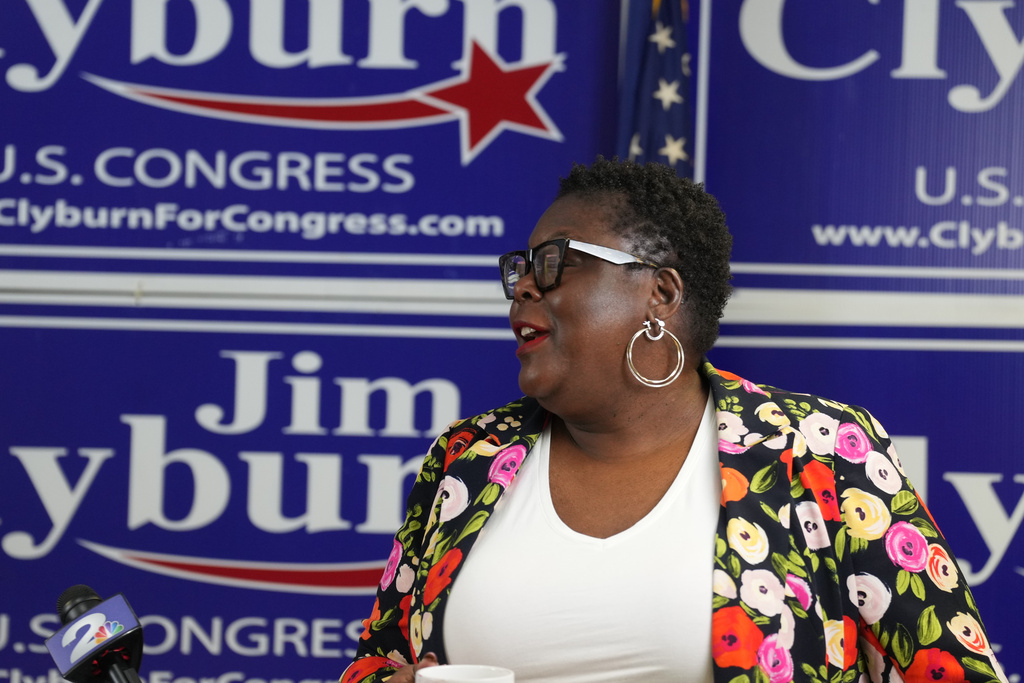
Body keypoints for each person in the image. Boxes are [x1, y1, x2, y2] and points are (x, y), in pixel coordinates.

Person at [341, 158, 1006, 683]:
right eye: (519, 267)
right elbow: (376, 658)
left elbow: (953, 669)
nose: (523, 286)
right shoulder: (468, 456)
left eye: (554, 263)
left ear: (660, 292)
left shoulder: (819, 450)